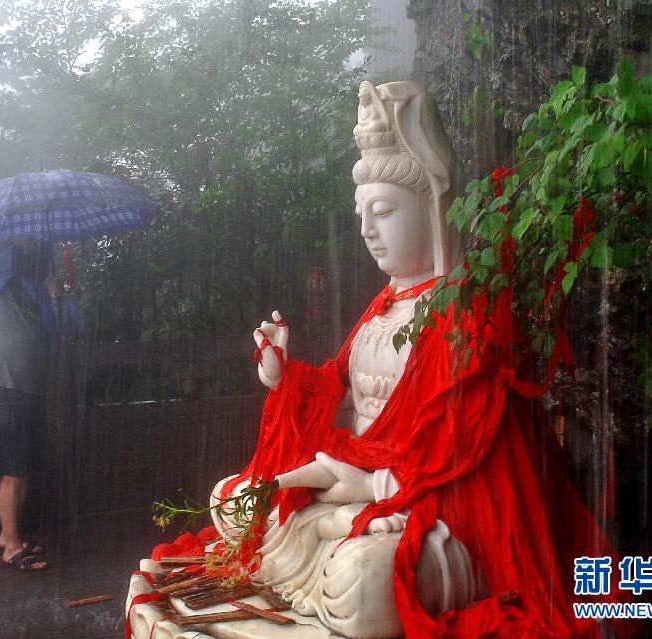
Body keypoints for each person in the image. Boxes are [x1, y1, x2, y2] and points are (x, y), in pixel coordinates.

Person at [206, 81, 628, 639]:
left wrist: (372, 486)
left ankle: (383, 564)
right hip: (352, 483)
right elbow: (336, 387)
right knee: (228, 501)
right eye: (360, 214)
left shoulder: (465, 312)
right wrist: (284, 374)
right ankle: (318, 532)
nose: (367, 232)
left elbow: (461, 444)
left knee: (358, 583)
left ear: (431, 206)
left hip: (425, 503)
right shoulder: (380, 307)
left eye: (382, 211)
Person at [0, 236, 83, 572]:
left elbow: (70, 328)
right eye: (25, 248)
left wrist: (58, 298)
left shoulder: (37, 293)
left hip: (32, 388)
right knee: (12, 470)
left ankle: (8, 535)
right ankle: (11, 547)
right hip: (2, 385)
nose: (31, 253)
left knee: (24, 467)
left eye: (35, 248)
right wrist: (11, 237)